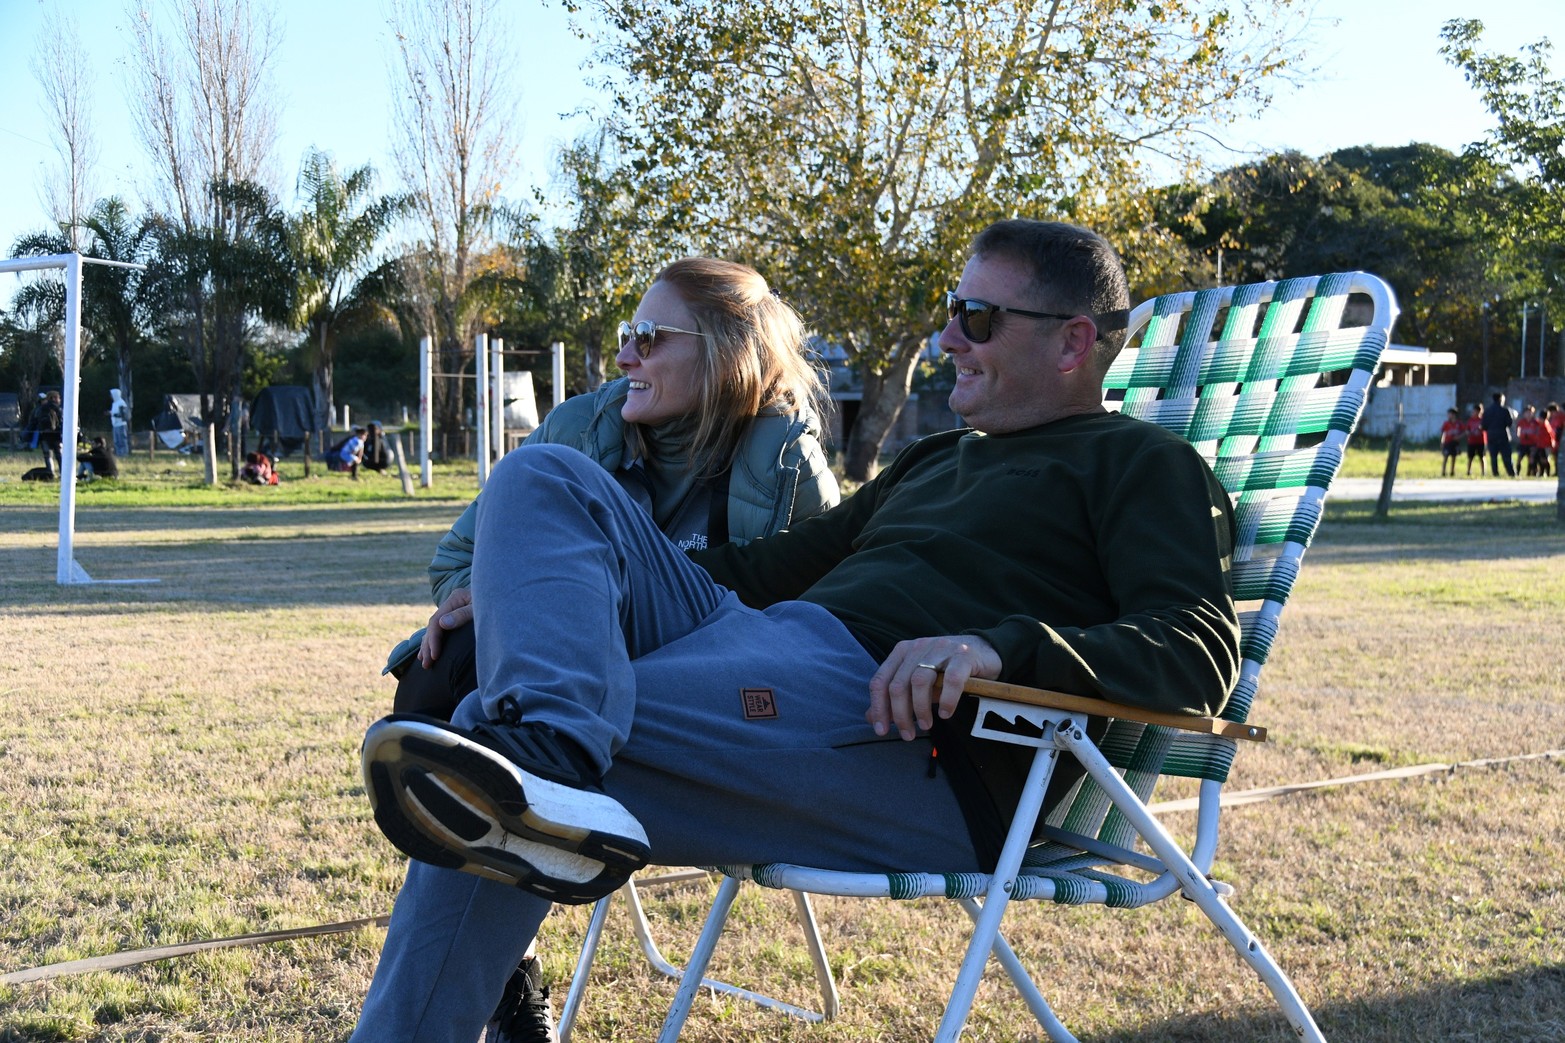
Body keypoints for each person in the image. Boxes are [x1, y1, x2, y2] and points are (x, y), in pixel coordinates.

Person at [350, 220, 1241, 1043]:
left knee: (486, 760)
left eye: (975, 317)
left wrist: (998, 645)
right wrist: (541, 589)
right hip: (763, 643)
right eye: (950, 312)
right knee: (542, 475)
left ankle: (542, 746)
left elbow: (1199, 650)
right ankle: (549, 734)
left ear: (1073, 340)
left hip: (898, 731)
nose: (946, 340)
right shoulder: (936, 460)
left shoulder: (1143, 465)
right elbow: (766, 569)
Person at [382, 256, 837, 1041]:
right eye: (627, 335)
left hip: (708, 694)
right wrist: (481, 593)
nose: (624, 355)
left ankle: (489, 940)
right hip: (572, 678)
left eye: (649, 337)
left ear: (726, 350)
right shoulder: (580, 428)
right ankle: (505, 972)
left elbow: (823, 610)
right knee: (441, 678)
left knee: (485, 720)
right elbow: (458, 555)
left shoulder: (785, 454)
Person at [1483, 391, 1516, 477]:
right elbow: (1509, 423)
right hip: (1503, 436)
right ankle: (1511, 473)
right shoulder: (1505, 410)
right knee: (1507, 457)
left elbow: (1483, 426)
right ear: (1501, 399)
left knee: (1493, 458)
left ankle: (1495, 474)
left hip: (1491, 437)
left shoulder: (1487, 411)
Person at [33, 390, 64, 478]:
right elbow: (61, 421)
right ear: (54, 398)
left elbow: (36, 420)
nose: (60, 400)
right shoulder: (58, 408)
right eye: (58, 398)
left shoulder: (41, 408)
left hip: (44, 435)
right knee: (59, 455)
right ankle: (63, 473)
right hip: (56, 435)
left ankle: (50, 473)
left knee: (47, 455)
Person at [1438, 407, 1462, 477]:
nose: (1448, 415)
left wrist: (1459, 437)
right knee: (1445, 456)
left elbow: (1465, 432)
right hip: (1447, 442)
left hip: (1455, 443)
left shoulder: (1459, 423)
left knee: (1454, 457)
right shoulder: (1446, 423)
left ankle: (1452, 471)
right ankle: (1443, 472)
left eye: (1449, 414)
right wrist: (1442, 441)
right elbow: (1443, 433)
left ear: (1454, 415)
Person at [1465, 403, 1486, 477]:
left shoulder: (1482, 420)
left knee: (1482, 457)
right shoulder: (1470, 420)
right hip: (1472, 441)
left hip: (1481, 441)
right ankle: (1468, 471)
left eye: (1476, 411)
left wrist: (1481, 429)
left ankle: (1483, 472)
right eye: (1473, 411)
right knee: (1470, 457)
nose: (1474, 413)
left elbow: (1485, 429)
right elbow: (1467, 430)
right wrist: (1469, 433)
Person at [109, 389, 132, 457]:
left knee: (122, 440)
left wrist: (113, 414)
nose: (111, 396)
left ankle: (124, 454)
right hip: (115, 424)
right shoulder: (114, 403)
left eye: (112, 394)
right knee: (116, 441)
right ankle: (119, 454)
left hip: (121, 424)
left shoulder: (121, 403)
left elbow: (123, 415)